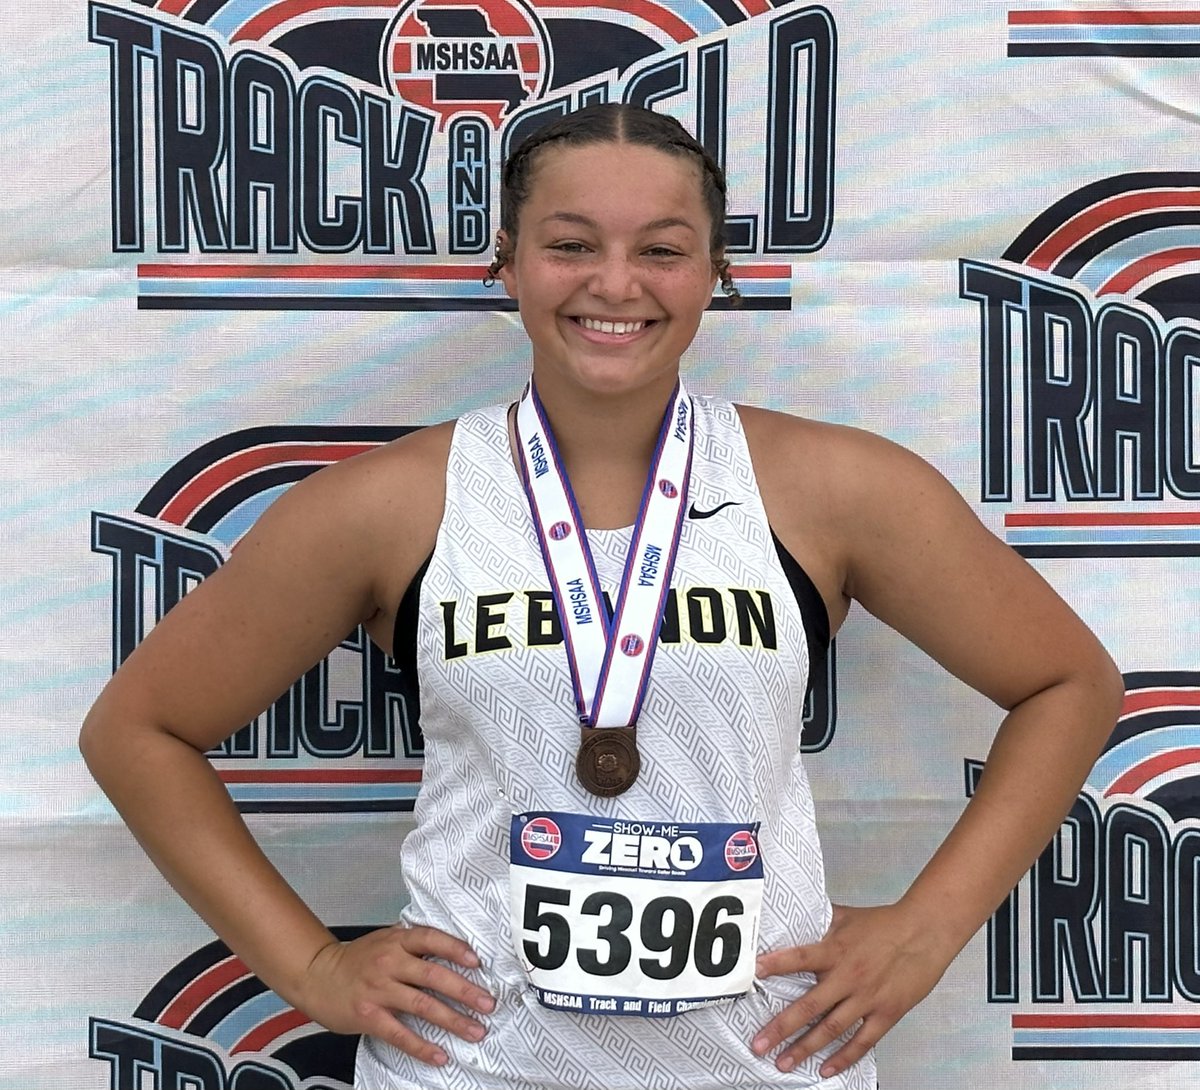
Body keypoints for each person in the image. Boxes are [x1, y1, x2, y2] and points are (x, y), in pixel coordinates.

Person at [80, 103, 1123, 1090]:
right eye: (572, 244)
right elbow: (140, 728)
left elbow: (1068, 681)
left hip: (760, 1061)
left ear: (715, 273)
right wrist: (311, 966)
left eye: (661, 249)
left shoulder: (834, 489)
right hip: (477, 1064)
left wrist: (929, 926)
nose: (615, 284)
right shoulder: (392, 504)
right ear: (510, 265)